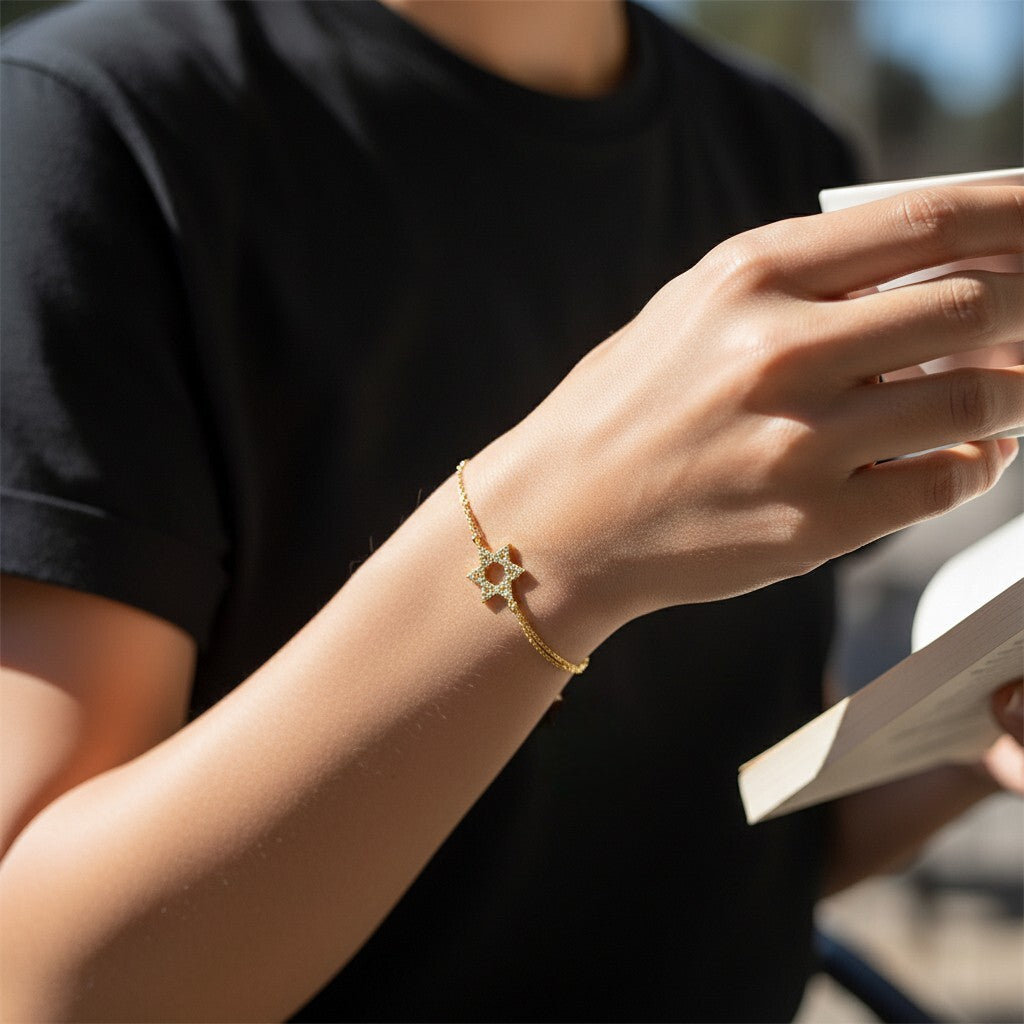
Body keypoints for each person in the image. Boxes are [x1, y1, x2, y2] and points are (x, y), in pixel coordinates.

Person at [1, 1, 1021, 1021]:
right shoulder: (95, 126)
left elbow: (726, 846)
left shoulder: (774, 148)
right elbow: (47, 987)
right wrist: (559, 540)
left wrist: (973, 737)